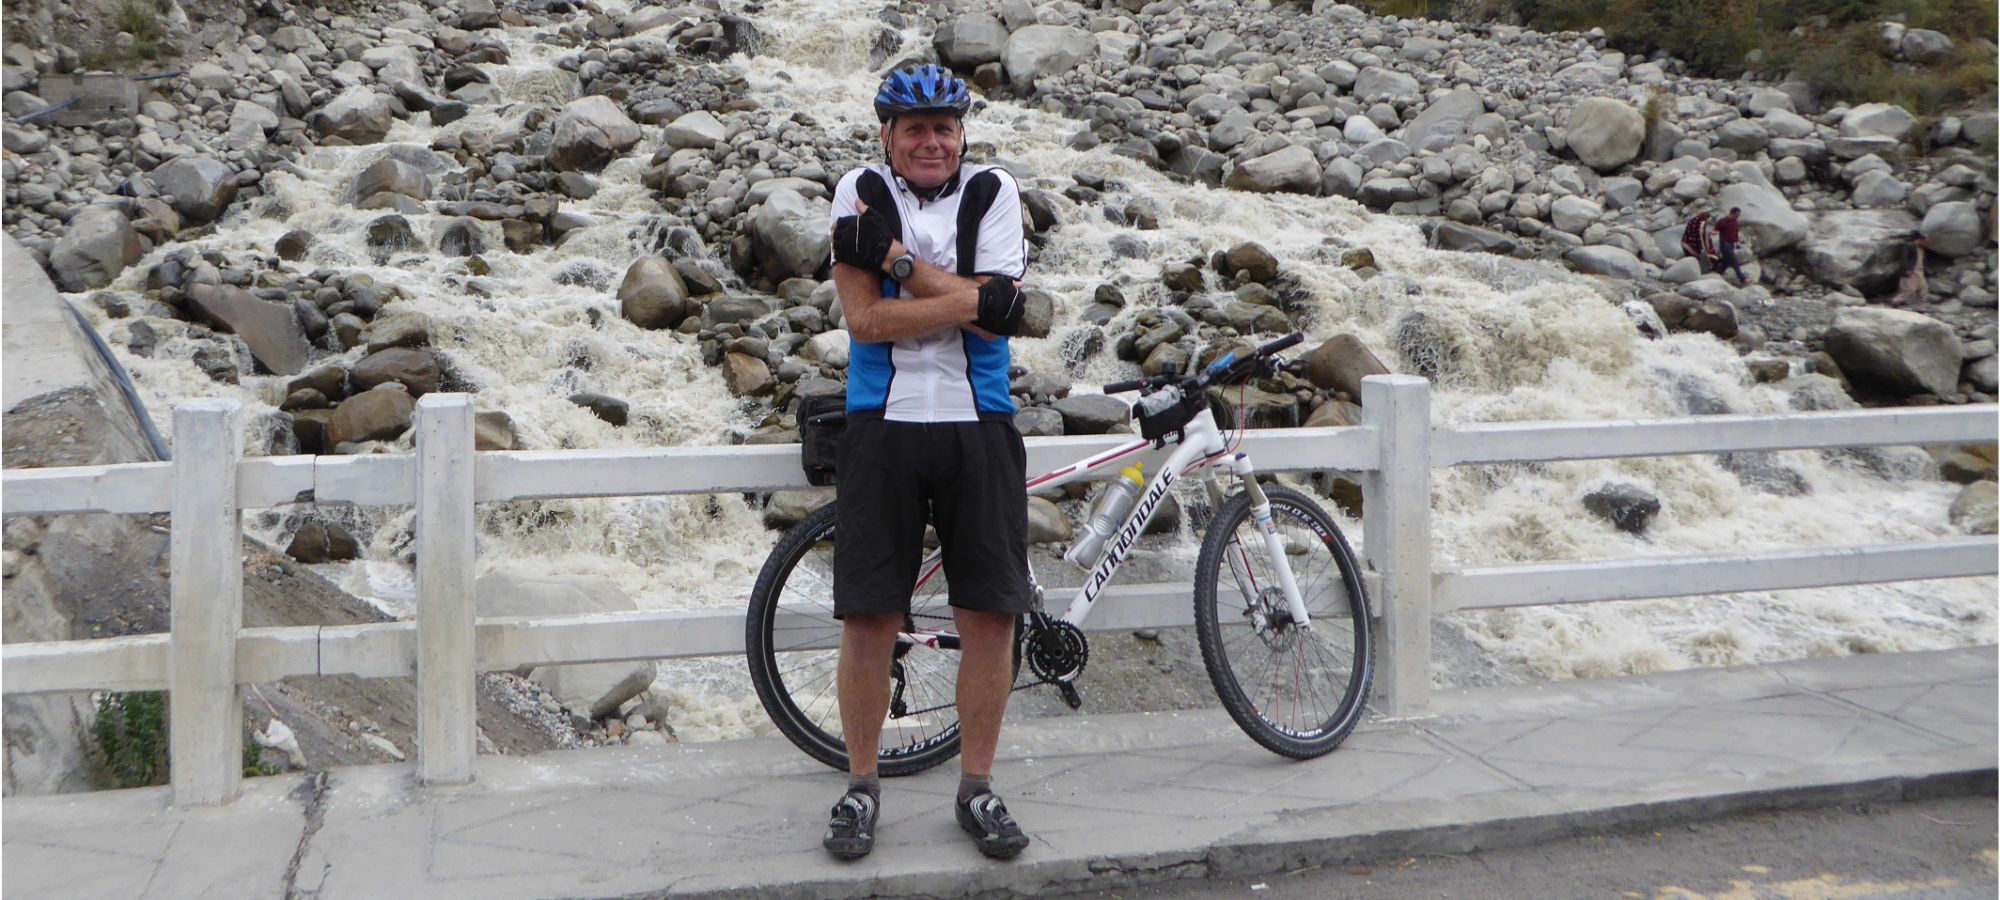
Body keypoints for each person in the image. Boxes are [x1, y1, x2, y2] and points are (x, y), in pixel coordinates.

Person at [819, 63, 1033, 863]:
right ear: (889, 135)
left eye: (945, 127)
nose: (933, 141)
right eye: (916, 129)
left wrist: (899, 264)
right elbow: (867, 322)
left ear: (962, 133)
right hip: (883, 423)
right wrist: (973, 299)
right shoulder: (859, 190)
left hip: (980, 424)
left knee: (990, 617)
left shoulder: (994, 190)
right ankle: (860, 787)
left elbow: (996, 324)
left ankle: (977, 787)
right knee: (870, 617)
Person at [1891, 234, 1931, 306]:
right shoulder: (1909, 246)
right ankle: (1896, 301)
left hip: (1920, 272)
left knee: (1924, 288)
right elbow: (1904, 258)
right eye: (1926, 242)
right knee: (1909, 289)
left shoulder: (1922, 249)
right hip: (1911, 271)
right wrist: (1907, 269)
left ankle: (1922, 305)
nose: (1927, 245)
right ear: (1921, 240)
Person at [1715, 207, 1748, 284]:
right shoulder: (1723, 221)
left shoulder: (1735, 222)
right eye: (1737, 215)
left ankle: (1718, 274)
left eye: (1738, 215)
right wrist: (1714, 232)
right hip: (1725, 244)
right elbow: (1716, 228)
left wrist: (1738, 241)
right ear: (1732, 213)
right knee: (1734, 261)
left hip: (1731, 244)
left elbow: (1735, 233)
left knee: (1725, 262)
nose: (1738, 217)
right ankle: (1742, 279)